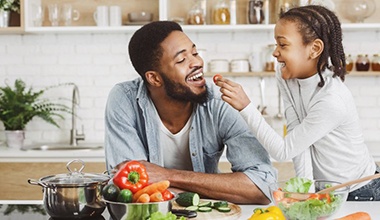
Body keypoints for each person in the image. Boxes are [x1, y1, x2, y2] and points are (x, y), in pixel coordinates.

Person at [215, 5, 380, 201]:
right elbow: (297, 139)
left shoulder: (331, 99)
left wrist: (246, 107)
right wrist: (306, 192)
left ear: (314, 49)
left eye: (283, 45)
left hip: (360, 190)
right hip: (327, 192)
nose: (275, 53)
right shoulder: (286, 76)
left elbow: (283, 151)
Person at [104, 21, 277, 204]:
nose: (197, 62)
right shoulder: (124, 100)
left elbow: (262, 187)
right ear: (154, 78)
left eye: (194, 53)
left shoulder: (221, 102)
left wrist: (167, 176)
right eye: (181, 60)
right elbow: (130, 191)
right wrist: (217, 189)